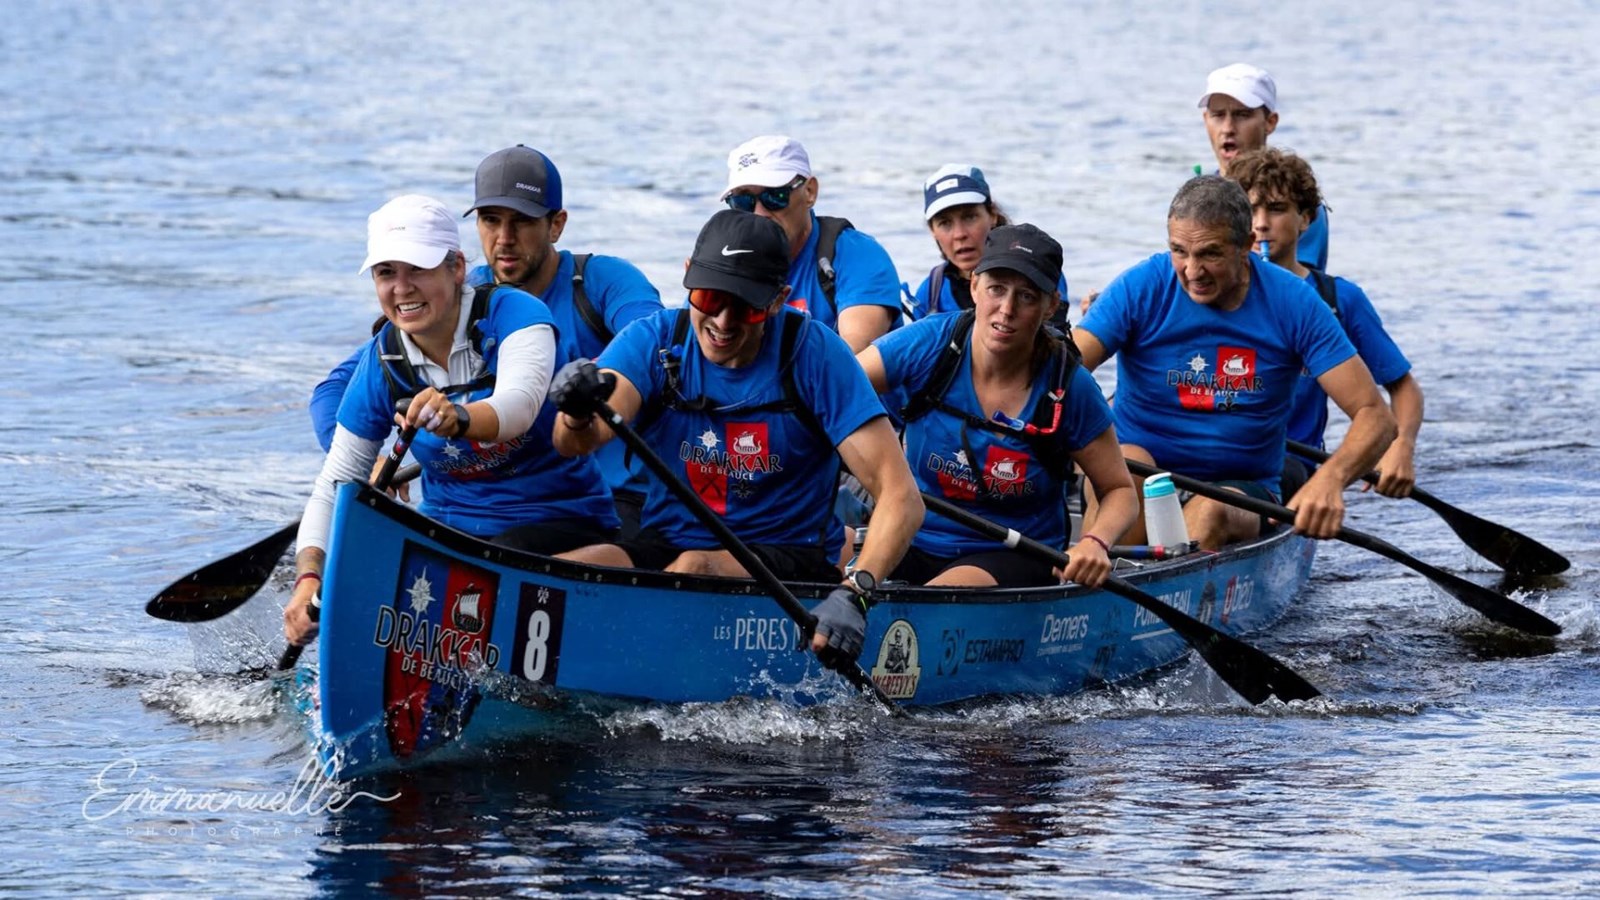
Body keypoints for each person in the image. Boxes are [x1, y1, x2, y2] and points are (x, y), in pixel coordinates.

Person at [549, 209, 923, 668]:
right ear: (687, 276)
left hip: (790, 557)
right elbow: (578, 442)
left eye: (745, 307)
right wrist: (576, 410)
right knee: (579, 564)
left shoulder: (817, 355)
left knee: (694, 568)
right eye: (709, 297)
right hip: (668, 540)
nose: (723, 322)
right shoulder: (655, 341)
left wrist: (857, 592)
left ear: (778, 299)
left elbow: (902, 497)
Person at [284, 195, 618, 647]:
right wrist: (308, 578)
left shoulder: (517, 316)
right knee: (364, 565)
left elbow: (517, 409)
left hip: (558, 517)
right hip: (450, 528)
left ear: (457, 268)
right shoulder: (385, 359)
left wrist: (457, 417)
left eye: (417, 269)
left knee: (489, 563)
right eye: (386, 273)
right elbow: (335, 486)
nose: (401, 288)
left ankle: (612, 565)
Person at [308, 145, 662, 536]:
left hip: (616, 495)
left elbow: (652, 349)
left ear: (556, 225)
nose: (504, 239)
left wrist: (585, 389)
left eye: (522, 221)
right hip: (488, 500)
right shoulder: (455, 297)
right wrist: (369, 462)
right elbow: (335, 389)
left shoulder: (602, 282)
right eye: (491, 220)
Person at [1075, 176, 1397, 550]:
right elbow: (1064, 371)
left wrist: (1329, 480)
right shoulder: (1141, 286)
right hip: (1142, 470)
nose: (1192, 271)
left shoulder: (1294, 303)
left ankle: (1163, 583)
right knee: (1128, 466)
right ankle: (1100, 569)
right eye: (1179, 251)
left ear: (1246, 245)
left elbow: (1376, 416)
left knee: (1212, 510)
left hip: (1239, 487)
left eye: (1209, 254)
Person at [857, 224, 1138, 588]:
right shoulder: (928, 344)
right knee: (824, 554)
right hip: (907, 534)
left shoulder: (1069, 387)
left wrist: (1094, 542)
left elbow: (1119, 490)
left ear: (1050, 305)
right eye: (996, 289)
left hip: (1013, 553)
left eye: (1026, 297)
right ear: (975, 286)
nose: (1006, 310)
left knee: (939, 596)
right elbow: (837, 390)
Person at [1228, 147, 1424, 497]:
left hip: (1291, 466)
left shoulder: (1338, 300)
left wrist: (1401, 446)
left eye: (1275, 209)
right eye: (1250, 210)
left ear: (1305, 218)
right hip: (1215, 457)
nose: (1259, 223)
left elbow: (1403, 387)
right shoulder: (1208, 292)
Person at [720, 135, 902, 352]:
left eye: (775, 196)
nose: (759, 214)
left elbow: (854, 359)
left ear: (810, 192)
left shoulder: (859, 255)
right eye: (743, 201)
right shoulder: (722, 261)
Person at [1198, 62, 1329, 270]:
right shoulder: (1199, 198)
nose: (1228, 128)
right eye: (1218, 115)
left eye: (1243, 115)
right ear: (1206, 120)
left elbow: (1294, 283)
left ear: (1270, 122)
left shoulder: (1297, 200)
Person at [905, 164, 1070, 329]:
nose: (959, 234)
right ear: (932, 230)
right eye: (945, 223)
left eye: (969, 217)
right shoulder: (930, 293)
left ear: (992, 214)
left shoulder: (1037, 270)